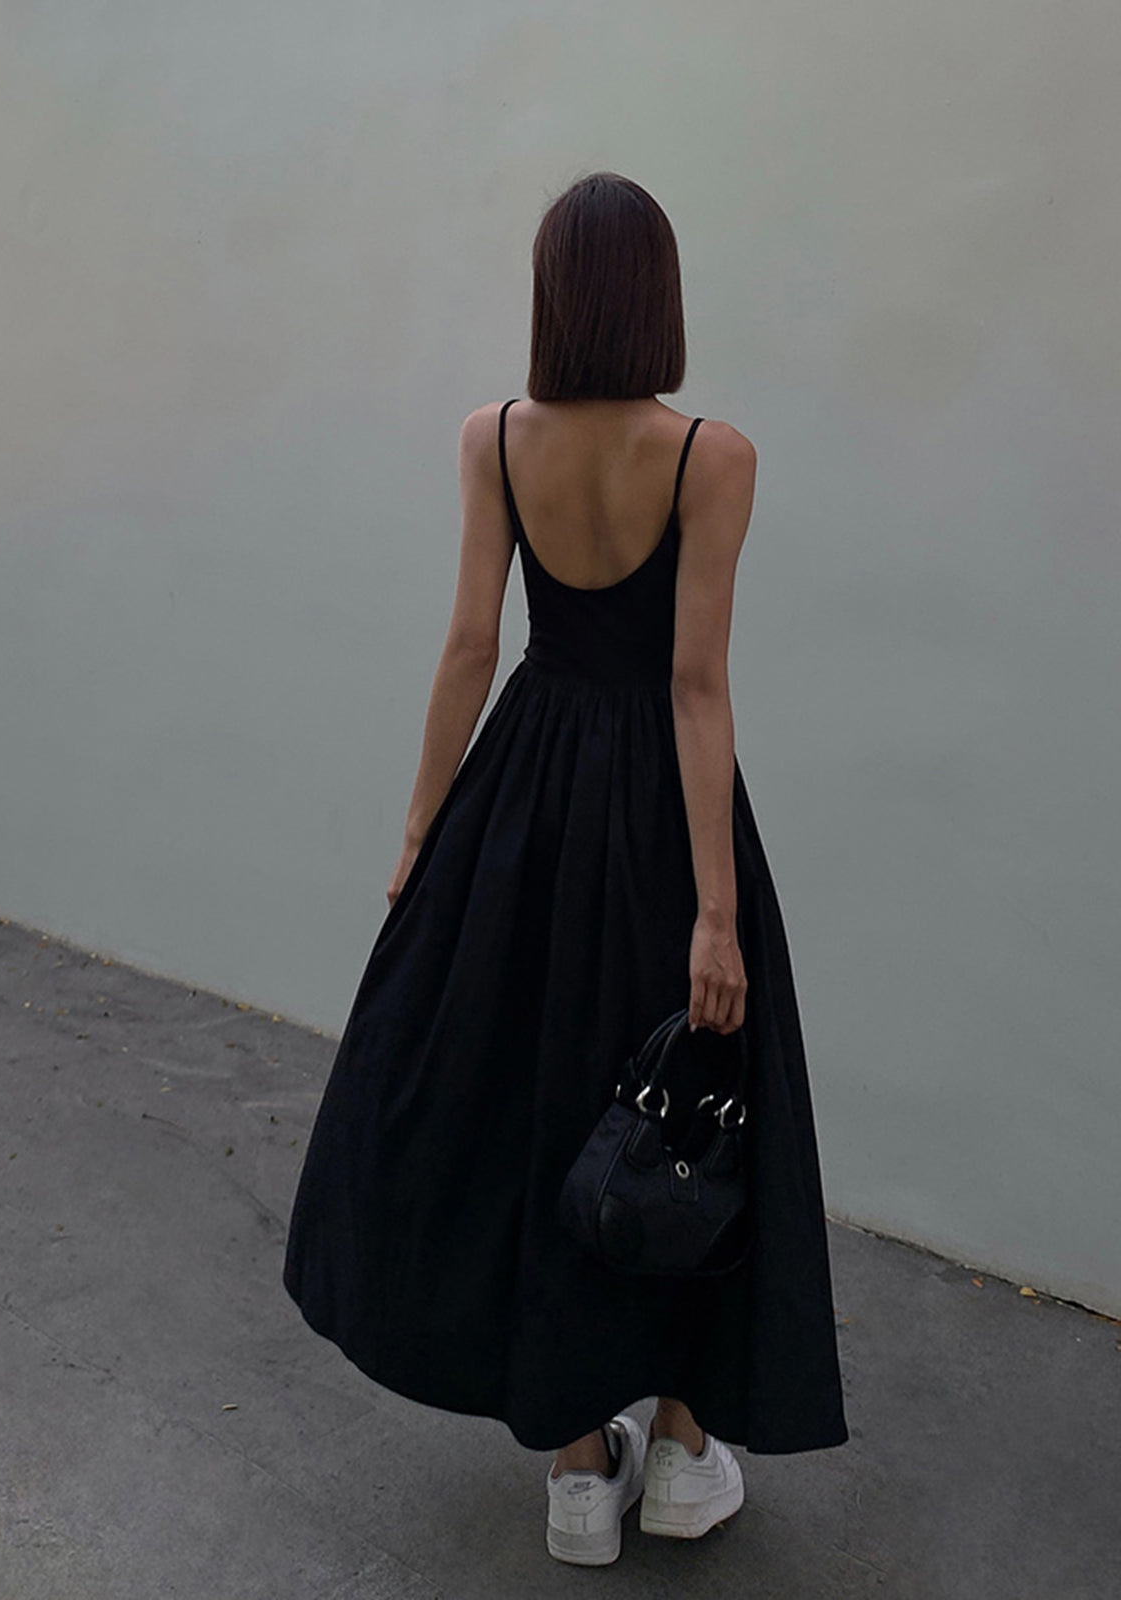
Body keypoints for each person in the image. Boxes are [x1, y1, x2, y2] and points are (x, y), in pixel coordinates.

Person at [283, 169, 848, 1567]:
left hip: (525, 797)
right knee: (689, 1105)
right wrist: (715, 915)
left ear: (554, 296)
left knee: (542, 1093)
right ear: (658, 298)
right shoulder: (712, 456)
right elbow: (696, 685)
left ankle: (580, 1471)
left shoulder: (495, 436)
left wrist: (424, 834)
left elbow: (472, 644)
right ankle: (685, 1454)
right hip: (662, 816)